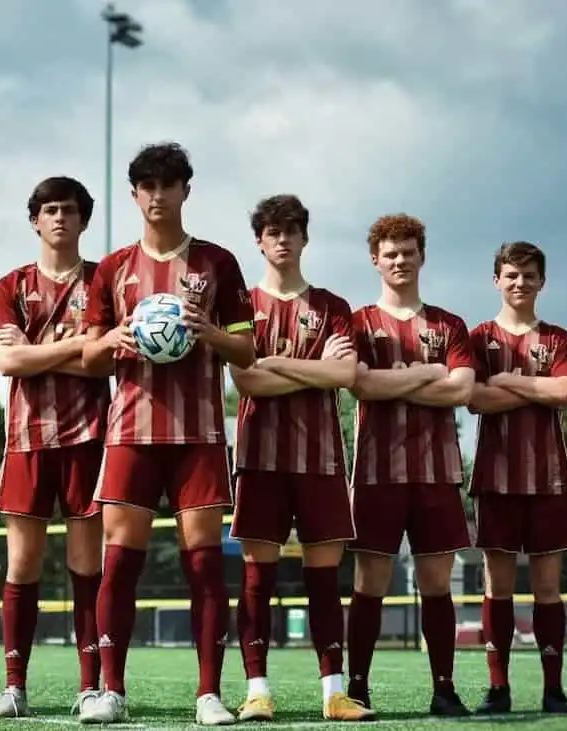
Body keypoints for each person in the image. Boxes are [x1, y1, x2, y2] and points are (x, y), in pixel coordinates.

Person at [77, 142, 256, 726]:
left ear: (186, 191)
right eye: (147, 186)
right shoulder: (113, 268)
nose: (158, 195)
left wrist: (210, 333)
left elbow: (247, 350)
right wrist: (113, 340)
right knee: (119, 564)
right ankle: (111, 691)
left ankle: (209, 695)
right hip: (130, 432)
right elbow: (89, 355)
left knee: (203, 566)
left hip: (198, 434)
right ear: (134, 195)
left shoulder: (217, 262)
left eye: (168, 184)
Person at [227, 194, 374, 723]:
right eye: (273, 231)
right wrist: (312, 368)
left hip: (321, 459)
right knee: (257, 579)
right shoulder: (240, 305)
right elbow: (246, 379)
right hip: (260, 457)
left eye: (291, 230)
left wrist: (273, 364)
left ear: (304, 238)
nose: (283, 239)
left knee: (323, 579)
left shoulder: (333, 307)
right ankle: (257, 691)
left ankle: (334, 693)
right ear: (259, 241)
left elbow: (345, 376)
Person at [0, 177, 111, 719]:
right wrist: (77, 346)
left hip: (90, 436)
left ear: (84, 220)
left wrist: (41, 350)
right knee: (22, 563)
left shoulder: (105, 279)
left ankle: (90, 686)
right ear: (35, 220)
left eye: (70, 210)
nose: (60, 217)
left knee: (86, 565)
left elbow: (105, 361)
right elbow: (8, 362)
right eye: (50, 209)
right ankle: (14, 687)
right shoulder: (10, 285)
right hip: (27, 438)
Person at [346, 214, 474, 717]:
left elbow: (462, 390)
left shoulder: (449, 325)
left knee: (437, 584)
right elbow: (361, 384)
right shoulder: (358, 322)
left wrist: (395, 381)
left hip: (437, 472)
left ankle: (444, 689)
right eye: (390, 253)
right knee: (369, 584)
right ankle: (357, 687)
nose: (400, 260)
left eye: (408, 252)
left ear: (422, 255)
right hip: (376, 473)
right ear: (375, 260)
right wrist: (430, 372)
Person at [466, 241, 567, 715]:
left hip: (549, 479)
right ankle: (499, 689)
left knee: (548, 588)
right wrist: (536, 387)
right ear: (497, 280)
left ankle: (554, 690)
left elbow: (565, 391)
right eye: (511, 274)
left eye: (529, 274)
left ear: (542, 281)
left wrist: (507, 381)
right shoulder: (479, 337)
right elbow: (475, 398)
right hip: (495, 478)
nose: (520, 282)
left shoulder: (558, 339)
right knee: (499, 587)